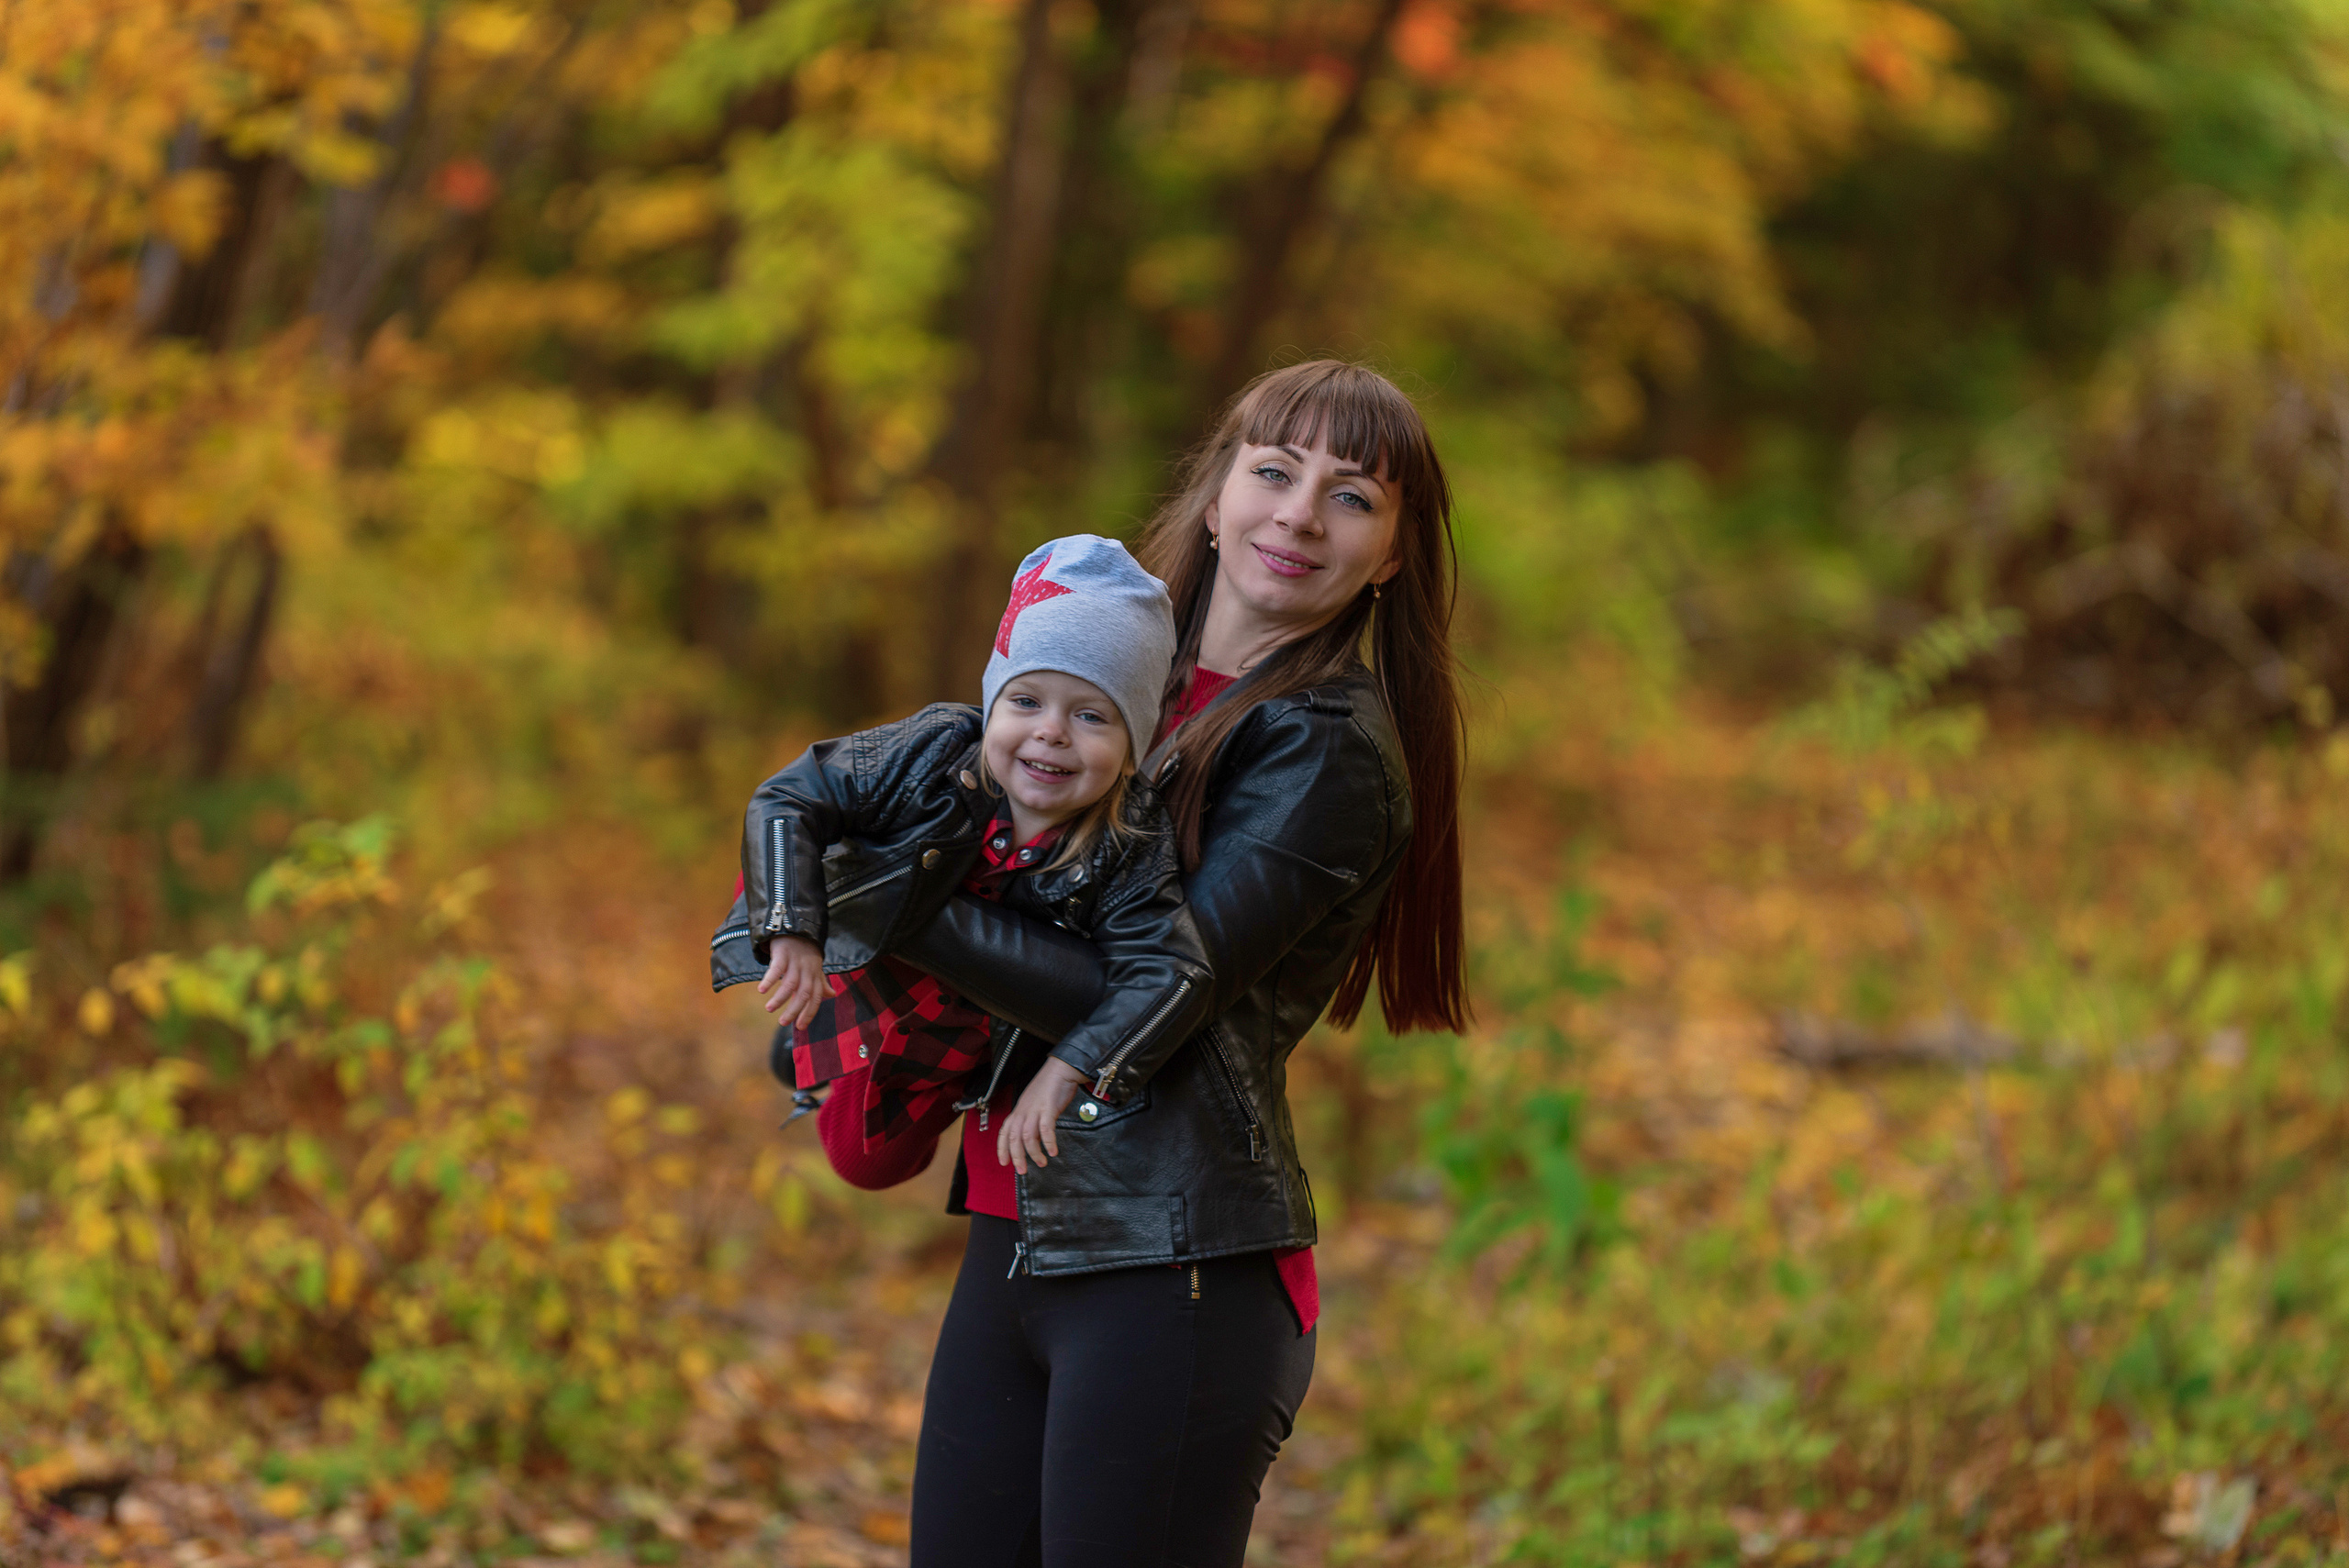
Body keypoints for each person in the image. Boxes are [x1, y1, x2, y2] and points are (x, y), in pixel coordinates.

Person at [882, 360, 1471, 1568]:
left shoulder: (1324, 748)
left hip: (1176, 1269)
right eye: (1273, 472)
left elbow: (1147, 989)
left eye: (1352, 496)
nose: (1300, 514)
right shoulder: (1099, 688)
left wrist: (897, 907)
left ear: (1395, 553)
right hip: (1021, 1229)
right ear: (1217, 500)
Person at [707, 534, 1217, 1186]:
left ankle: (821, 1058)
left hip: (953, 1016)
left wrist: (1068, 1070)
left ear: (1130, 746)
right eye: (1026, 700)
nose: (1052, 731)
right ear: (993, 700)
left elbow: (1170, 970)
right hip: (860, 919)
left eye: (1091, 715)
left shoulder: (1129, 839)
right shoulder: (935, 750)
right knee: (793, 859)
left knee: (868, 1165)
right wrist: (793, 930)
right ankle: (816, 1015)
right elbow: (790, 797)